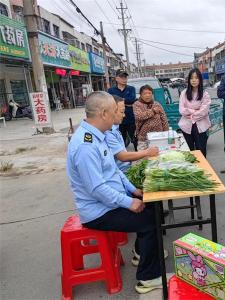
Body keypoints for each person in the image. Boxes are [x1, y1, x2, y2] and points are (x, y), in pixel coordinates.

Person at [66, 91, 163, 294]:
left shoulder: (97, 136)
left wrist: (133, 191)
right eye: (114, 112)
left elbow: (114, 171)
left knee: (153, 205)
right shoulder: (85, 146)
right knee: (148, 220)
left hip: (109, 200)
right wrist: (129, 202)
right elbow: (97, 189)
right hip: (98, 212)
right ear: (103, 113)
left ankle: (141, 254)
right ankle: (147, 278)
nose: (119, 116)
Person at [105, 95, 159, 173]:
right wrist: (146, 152)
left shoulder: (115, 128)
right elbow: (122, 156)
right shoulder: (108, 132)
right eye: (122, 112)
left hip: (126, 169)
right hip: (122, 172)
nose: (124, 115)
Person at [178, 68, 211, 157]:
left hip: (201, 126)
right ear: (189, 80)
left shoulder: (205, 94)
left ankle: (203, 169)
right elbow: (182, 109)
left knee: (201, 151)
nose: (194, 80)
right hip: (186, 126)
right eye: (192, 78)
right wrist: (195, 111)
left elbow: (204, 111)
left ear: (200, 79)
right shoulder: (184, 93)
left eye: (196, 78)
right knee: (189, 152)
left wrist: (191, 114)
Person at [108, 69, 137, 149]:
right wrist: (126, 101)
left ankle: (138, 155)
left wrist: (119, 100)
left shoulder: (131, 89)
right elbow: (111, 102)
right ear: (116, 78)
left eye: (125, 77)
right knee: (121, 140)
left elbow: (132, 99)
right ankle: (123, 158)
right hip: (117, 120)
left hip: (131, 119)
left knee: (135, 139)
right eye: (122, 77)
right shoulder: (111, 90)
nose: (124, 79)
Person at [133, 85, 169, 150]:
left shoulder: (157, 104)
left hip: (158, 137)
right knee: (143, 157)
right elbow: (139, 116)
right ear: (140, 95)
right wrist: (153, 111)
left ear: (152, 94)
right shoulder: (137, 104)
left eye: (149, 93)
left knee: (158, 156)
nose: (147, 95)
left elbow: (164, 119)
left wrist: (166, 133)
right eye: (145, 93)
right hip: (143, 138)